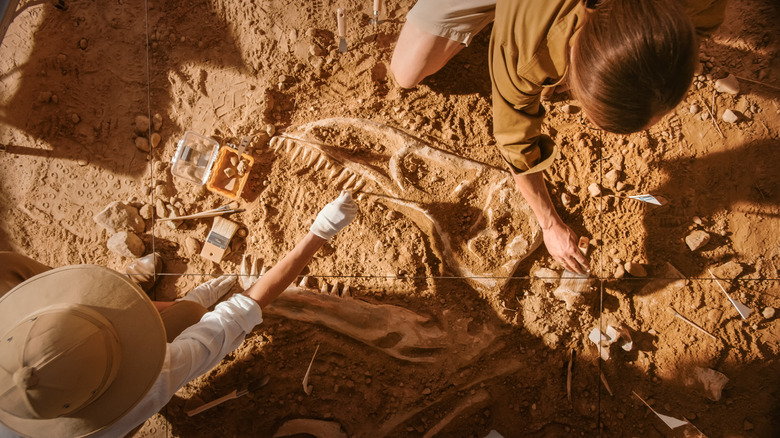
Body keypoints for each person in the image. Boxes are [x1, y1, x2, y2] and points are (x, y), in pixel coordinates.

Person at [390, 0, 726, 274]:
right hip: (532, 16)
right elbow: (515, 143)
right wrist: (549, 225)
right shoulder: (525, 49)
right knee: (406, 71)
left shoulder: (700, 6)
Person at [0, 191, 358, 438]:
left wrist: (154, 306)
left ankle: (129, 286)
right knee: (187, 319)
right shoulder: (146, 388)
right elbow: (233, 317)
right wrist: (319, 232)